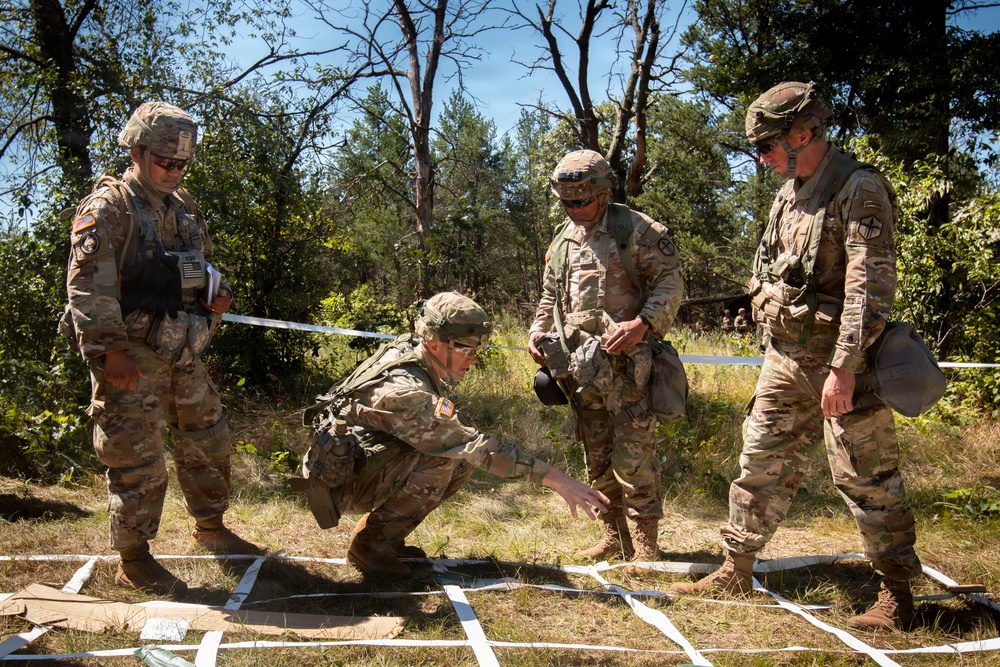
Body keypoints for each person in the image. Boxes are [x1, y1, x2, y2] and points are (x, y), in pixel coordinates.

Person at [671, 82, 921, 631]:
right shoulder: (789, 192)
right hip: (786, 357)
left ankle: (895, 594)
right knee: (759, 460)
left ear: (803, 134)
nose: (762, 160)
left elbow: (868, 290)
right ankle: (737, 566)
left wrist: (844, 370)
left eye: (766, 147)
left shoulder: (859, 189)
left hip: (843, 366)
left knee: (867, 475)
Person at [61, 101, 263, 598]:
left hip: (181, 347)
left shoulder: (184, 206)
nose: (173, 171)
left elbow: (205, 266)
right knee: (137, 458)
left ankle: (211, 528)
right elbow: (88, 287)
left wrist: (219, 295)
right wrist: (111, 352)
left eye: (181, 164)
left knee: (209, 437)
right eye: (163, 161)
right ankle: (134, 559)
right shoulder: (108, 208)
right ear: (136, 151)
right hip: (130, 353)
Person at [292, 292, 609, 579]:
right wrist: (557, 479)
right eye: (467, 348)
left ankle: (382, 537)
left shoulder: (413, 353)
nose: (474, 358)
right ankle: (371, 548)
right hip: (336, 482)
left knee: (457, 459)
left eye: (477, 348)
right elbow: (472, 444)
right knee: (448, 455)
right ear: (434, 344)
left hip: (358, 464)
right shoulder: (405, 391)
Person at [527, 150, 684, 563]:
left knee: (633, 455)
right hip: (579, 368)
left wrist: (644, 324)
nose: (574, 209)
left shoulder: (637, 230)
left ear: (603, 192)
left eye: (582, 201)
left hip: (628, 367)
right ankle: (614, 537)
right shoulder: (562, 240)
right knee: (595, 454)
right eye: (566, 202)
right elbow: (549, 296)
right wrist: (537, 331)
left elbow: (669, 281)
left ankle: (646, 546)